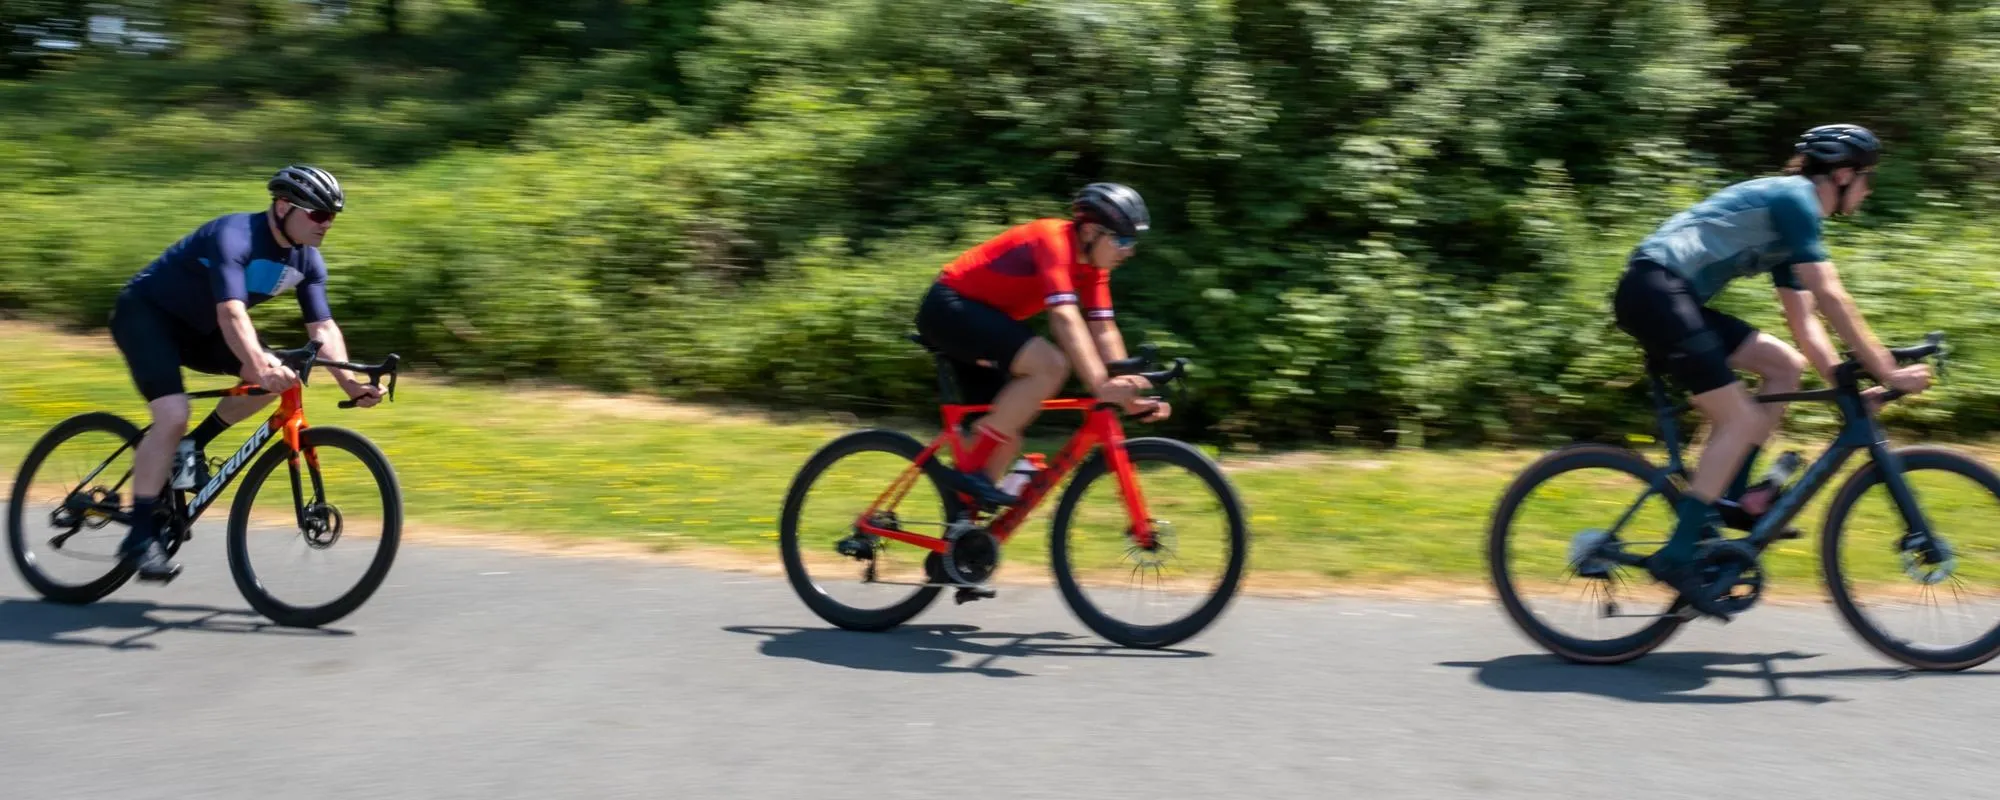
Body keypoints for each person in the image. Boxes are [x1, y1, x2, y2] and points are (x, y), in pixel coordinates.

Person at [1611, 124, 1931, 618]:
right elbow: (1831, 294)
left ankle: (1729, 502)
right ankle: (1676, 557)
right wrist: (1886, 372)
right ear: (1843, 175)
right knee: (1738, 419)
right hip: (1654, 292)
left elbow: (1803, 319)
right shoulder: (1795, 199)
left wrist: (1846, 388)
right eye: (1867, 179)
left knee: (1785, 366)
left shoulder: (1793, 223)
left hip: (1671, 297)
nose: (1868, 190)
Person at [110, 164, 384, 582]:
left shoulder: (307, 262)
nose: (325, 225)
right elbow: (231, 311)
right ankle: (139, 536)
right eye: (318, 215)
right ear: (282, 206)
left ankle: (192, 446)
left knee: (283, 373)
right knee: (172, 414)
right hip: (148, 317)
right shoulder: (234, 236)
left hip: (202, 331)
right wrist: (258, 365)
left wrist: (350, 382)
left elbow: (323, 328)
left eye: (331, 217)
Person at [914, 182, 1169, 507]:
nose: (1128, 250)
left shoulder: (1093, 270)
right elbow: (1064, 319)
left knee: (1009, 431)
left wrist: (1126, 388)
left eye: (1132, 241)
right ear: (1091, 231)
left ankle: (962, 538)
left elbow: (1103, 328)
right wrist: (1101, 385)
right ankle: (971, 480)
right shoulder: (1052, 239)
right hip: (949, 306)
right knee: (1050, 365)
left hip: (983, 318)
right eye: (1122, 239)